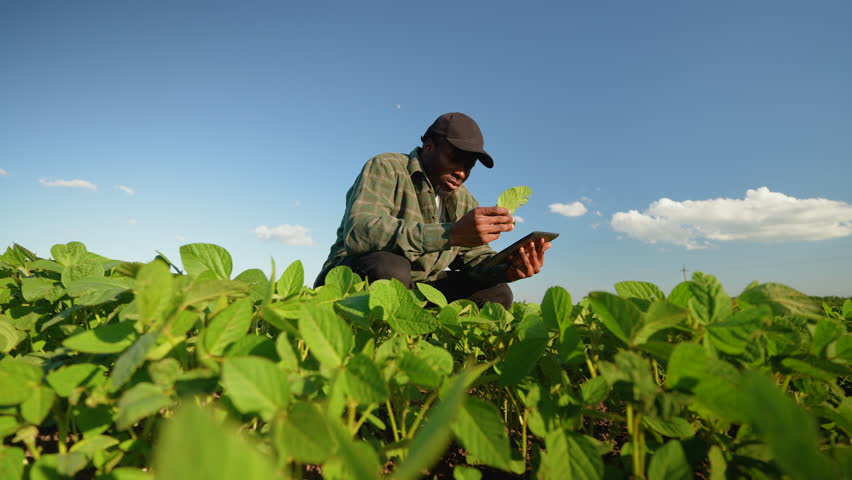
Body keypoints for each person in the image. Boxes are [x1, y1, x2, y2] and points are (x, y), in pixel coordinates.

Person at [314, 112, 551, 309]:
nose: (462, 172)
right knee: (390, 267)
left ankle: (430, 340)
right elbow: (360, 231)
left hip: (419, 289)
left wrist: (507, 268)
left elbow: (475, 259)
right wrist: (451, 234)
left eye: (469, 166)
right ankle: (384, 338)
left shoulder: (464, 201)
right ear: (428, 147)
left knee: (498, 293)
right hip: (350, 278)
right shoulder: (387, 167)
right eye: (455, 158)